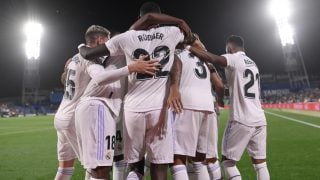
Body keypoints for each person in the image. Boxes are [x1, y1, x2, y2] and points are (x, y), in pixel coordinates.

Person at [78, 2, 193, 179]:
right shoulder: (172, 32)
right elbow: (186, 45)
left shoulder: (125, 37)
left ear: (139, 19)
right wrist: (180, 23)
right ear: (160, 19)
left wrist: (80, 47)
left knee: (135, 165)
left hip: (133, 108)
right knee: (159, 166)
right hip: (159, 107)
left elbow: (88, 54)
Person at [187, 35, 270, 180]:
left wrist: (188, 48)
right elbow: (238, 89)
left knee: (227, 162)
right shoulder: (252, 63)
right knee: (260, 164)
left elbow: (212, 58)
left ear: (229, 48)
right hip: (260, 119)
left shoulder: (234, 58)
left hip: (242, 118)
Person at [53, 25, 110, 180]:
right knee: (96, 167)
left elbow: (64, 80)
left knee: (65, 168)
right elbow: (101, 78)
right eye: (107, 40)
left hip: (61, 116)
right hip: (74, 119)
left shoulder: (75, 57)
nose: (108, 44)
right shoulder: (91, 58)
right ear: (99, 40)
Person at [167, 36, 224, 180]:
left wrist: (173, 88)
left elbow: (176, 70)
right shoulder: (204, 59)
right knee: (201, 160)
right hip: (208, 107)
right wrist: (220, 100)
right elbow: (219, 84)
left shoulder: (176, 55)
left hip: (186, 105)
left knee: (177, 158)